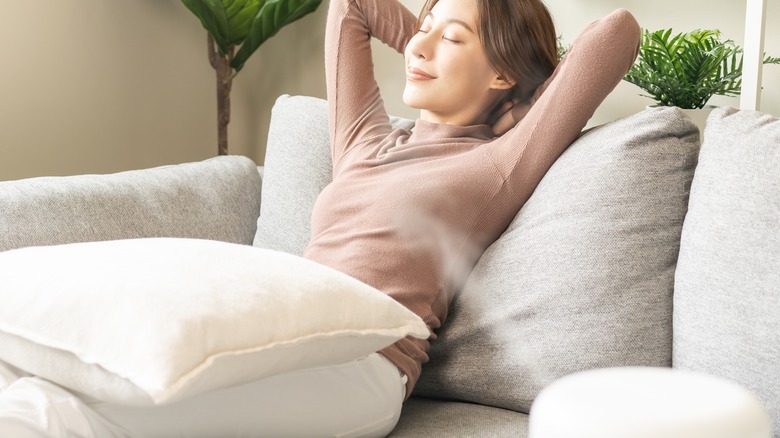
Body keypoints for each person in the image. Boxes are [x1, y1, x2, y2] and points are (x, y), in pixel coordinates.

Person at [0, 0, 639, 436]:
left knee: (66, 415)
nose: (418, 45)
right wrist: (435, 34)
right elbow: (351, 6)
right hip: (274, 331)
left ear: (504, 73)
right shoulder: (364, 141)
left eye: (451, 40)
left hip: (362, 368)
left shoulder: (497, 163)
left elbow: (616, 32)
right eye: (421, 26)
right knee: (30, 381)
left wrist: (521, 84)